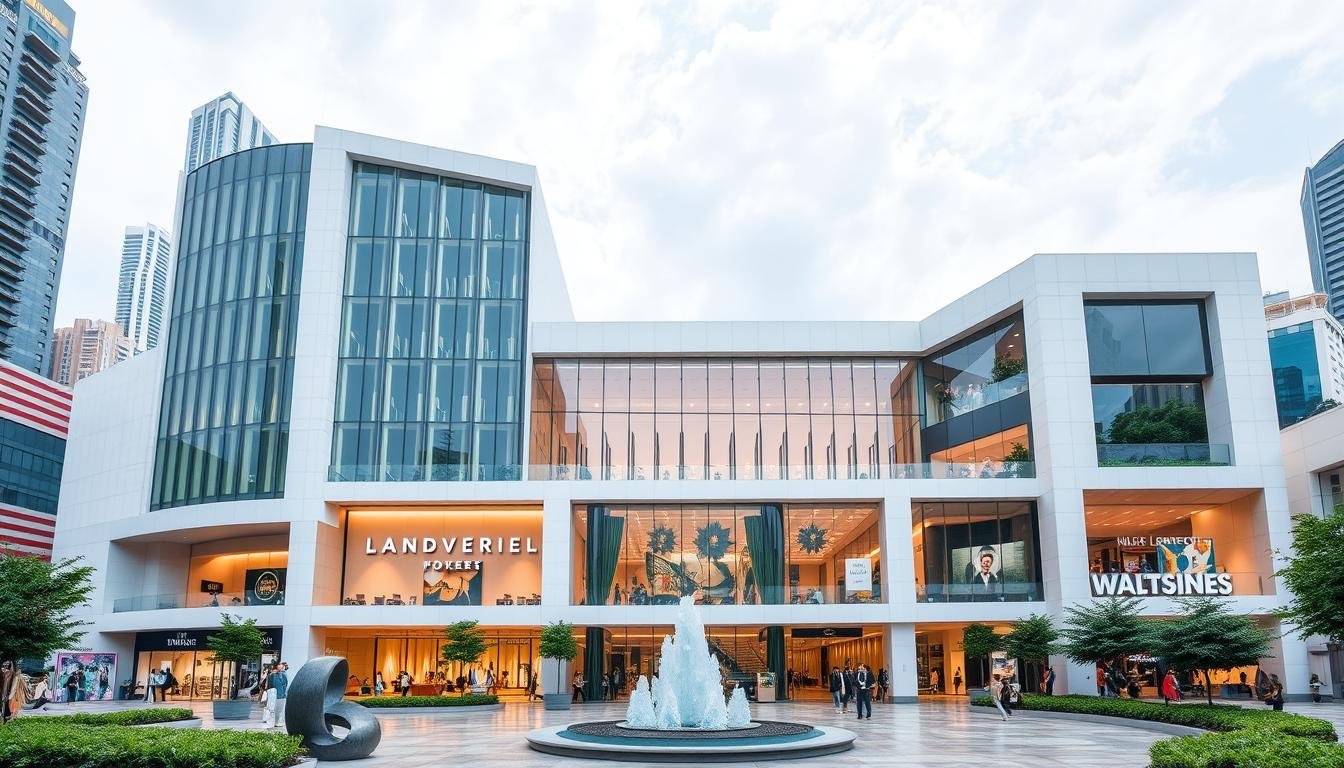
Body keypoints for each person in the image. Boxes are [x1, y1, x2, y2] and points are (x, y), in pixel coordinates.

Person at [269, 662, 290, 728]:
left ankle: (279, 722)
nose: (281, 666)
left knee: (281, 709)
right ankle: (274, 722)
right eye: (280, 664)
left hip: (282, 695)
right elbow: (271, 684)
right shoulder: (272, 675)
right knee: (274, 709)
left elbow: (286, 683)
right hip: (274, 695)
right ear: (276, 666)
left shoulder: (283, 674)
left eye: (281, 665)